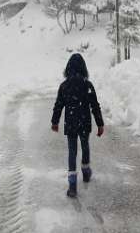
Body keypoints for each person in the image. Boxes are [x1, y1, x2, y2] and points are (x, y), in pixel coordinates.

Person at [51, 53, 104, 198]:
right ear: (83, 68)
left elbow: (58, 106)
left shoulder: (64, 86)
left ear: (68, 68)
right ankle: (86, 172)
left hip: (71, 123)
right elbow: (95, 106)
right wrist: (100, 124)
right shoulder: (87, 85)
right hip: (84, 122)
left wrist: (55, 122)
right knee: (85, 145)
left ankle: (72, 185)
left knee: (72, 151)